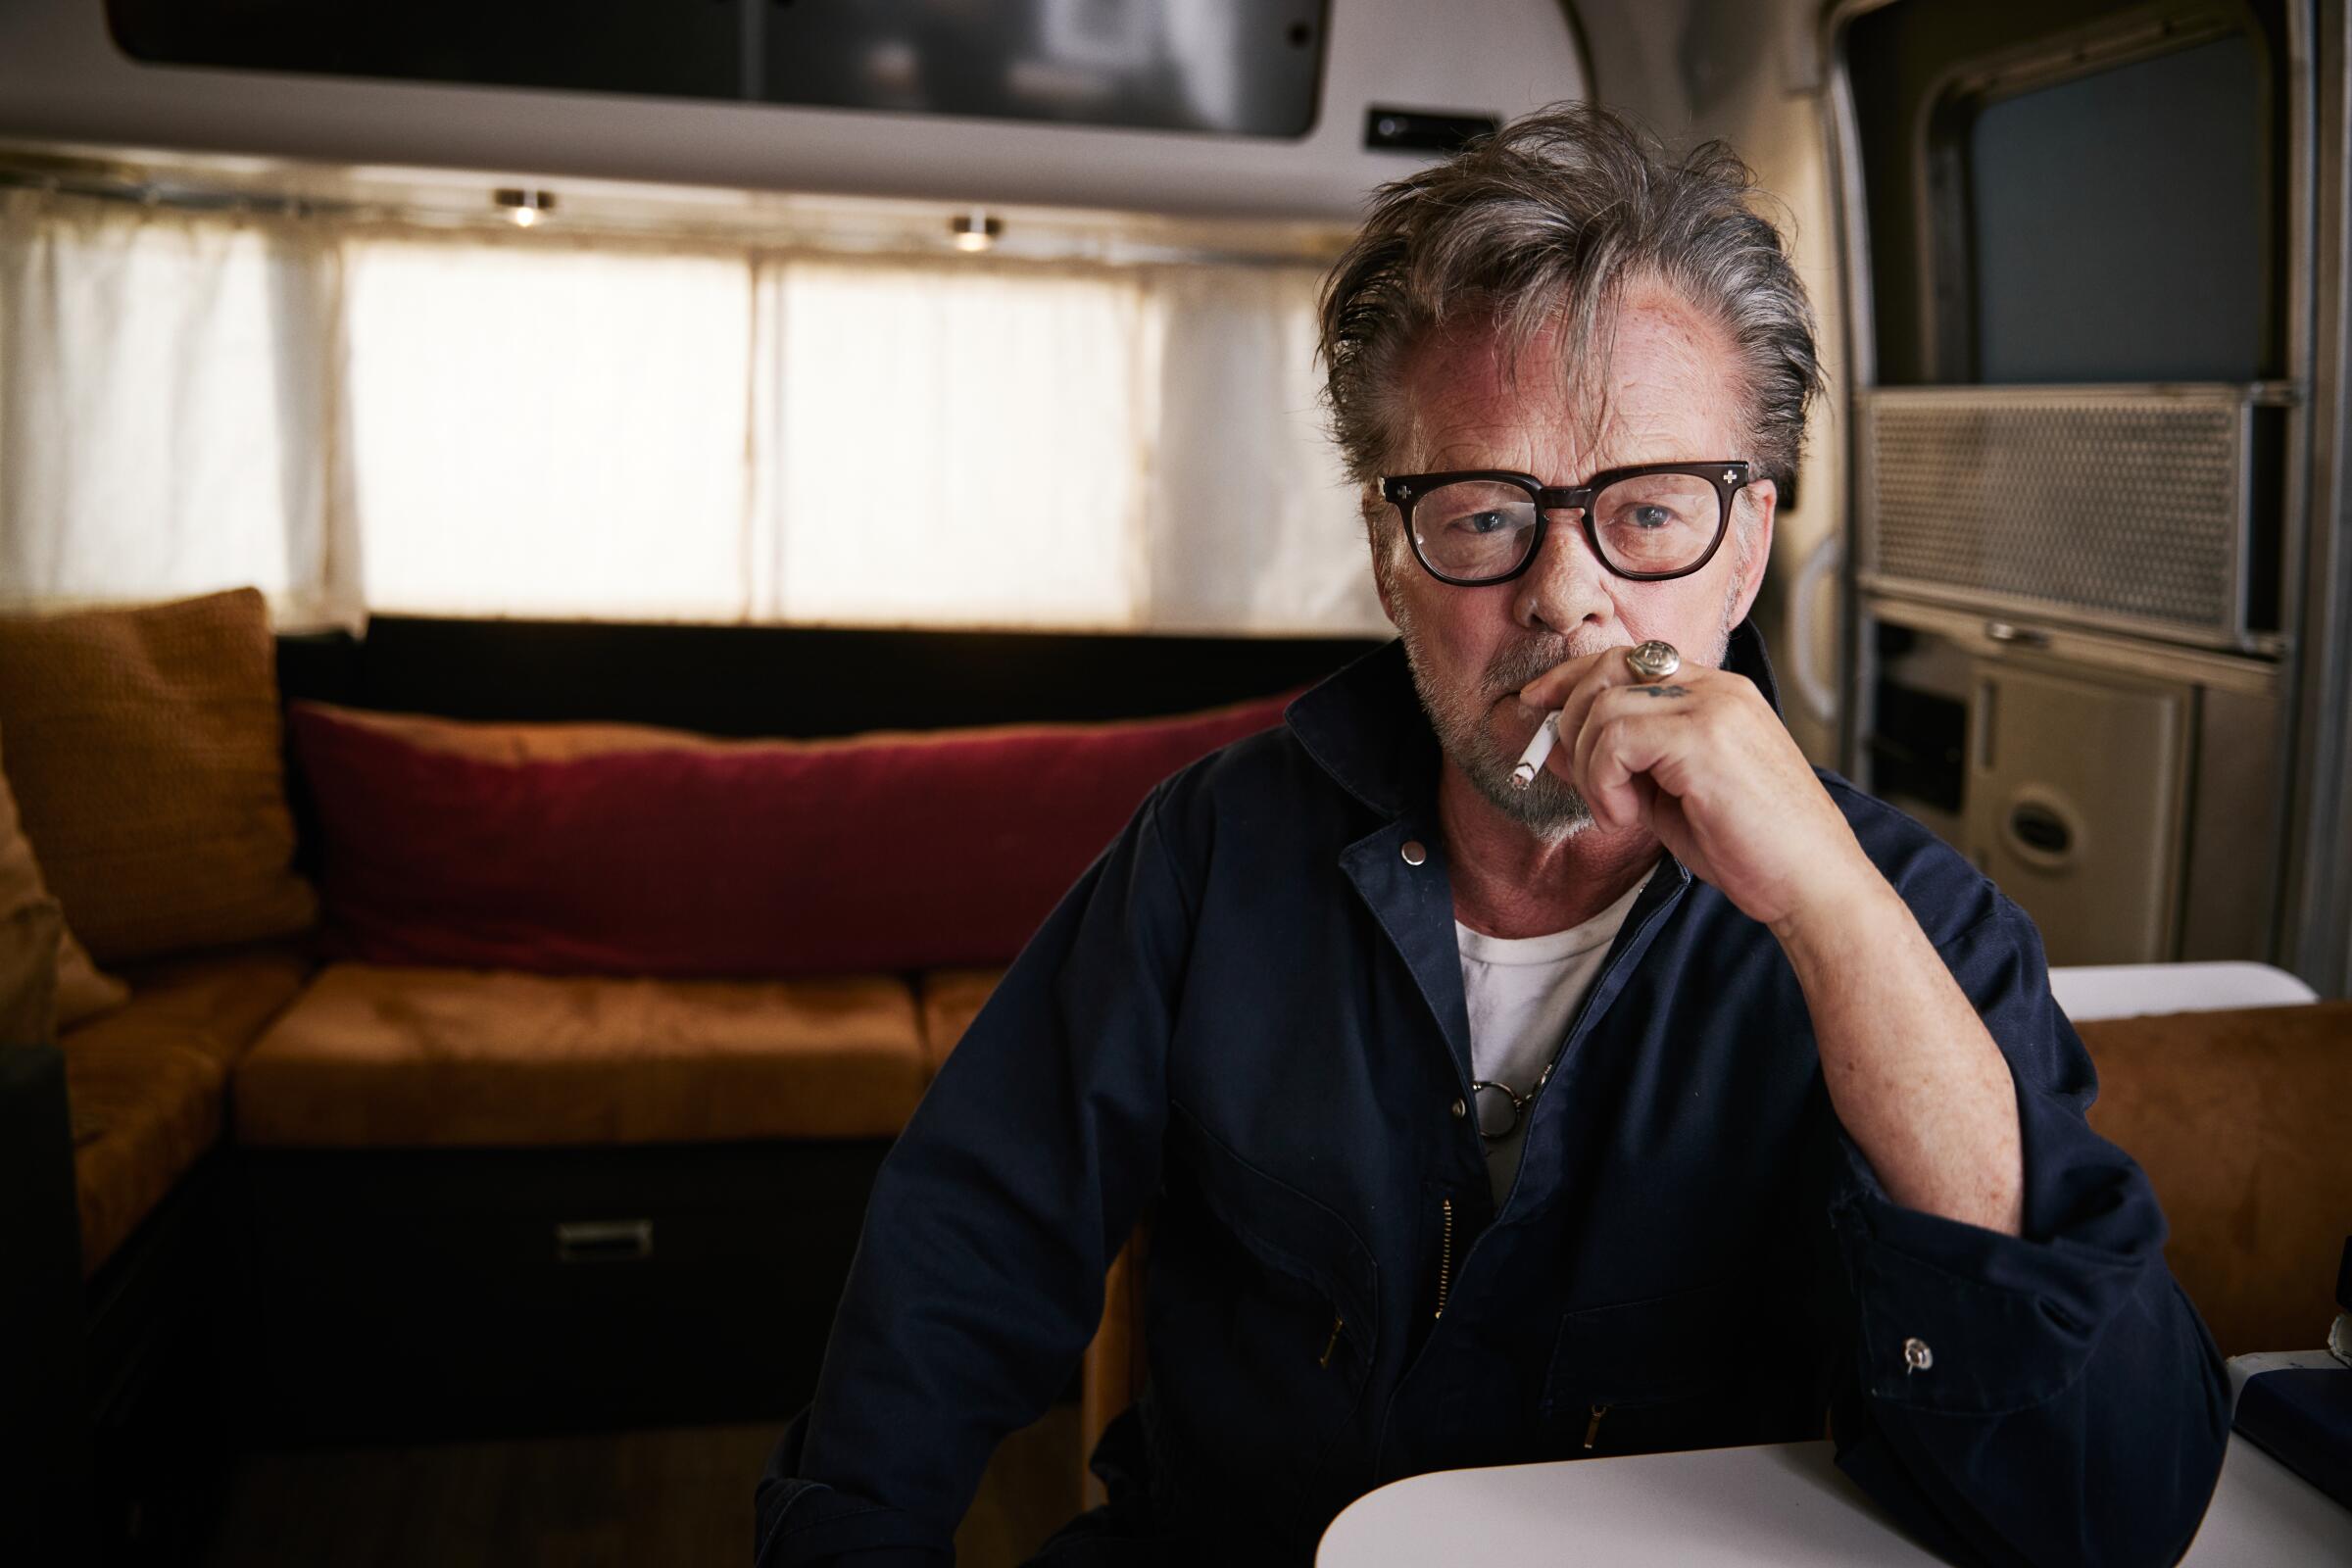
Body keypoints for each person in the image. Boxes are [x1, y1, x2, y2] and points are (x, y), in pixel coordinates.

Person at [756, 104, 2230, 1568]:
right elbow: (960, 1257)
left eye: (1650, 514)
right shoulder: (1207, 857)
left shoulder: (1920, 923)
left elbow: (2104, 1507)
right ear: (1391, 558)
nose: (1567, 597)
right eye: (1481, 516)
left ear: (1749, 550)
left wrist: (1835, 916)